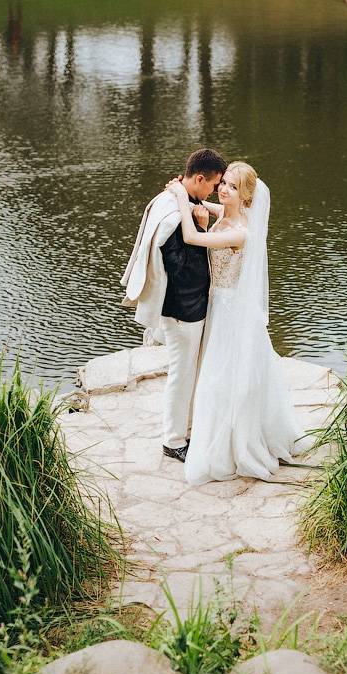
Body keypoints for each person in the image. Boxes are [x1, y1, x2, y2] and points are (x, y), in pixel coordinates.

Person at [166, 162, 303, 485]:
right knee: (216, 372)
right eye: (223, 183)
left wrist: (181, 199)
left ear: (246, 197)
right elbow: (207, 205)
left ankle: (233, 443)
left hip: (230, 311)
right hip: (217, 305)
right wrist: (189, 196)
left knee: (222, 375)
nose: (224, 190)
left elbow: (190, 237)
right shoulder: (225, 213)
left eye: (232, 187)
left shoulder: (240, 232)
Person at [120, 148, 227, 463]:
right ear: (199, 178)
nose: (214, 192)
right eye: (213, 185)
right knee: (181, 375)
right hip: (183, 308)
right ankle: (173, 440)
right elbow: (178, 267)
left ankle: (187, 430)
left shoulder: (179, 201)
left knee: (189, 372)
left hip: (189, 306)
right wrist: (201, 229)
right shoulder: (175, 215)